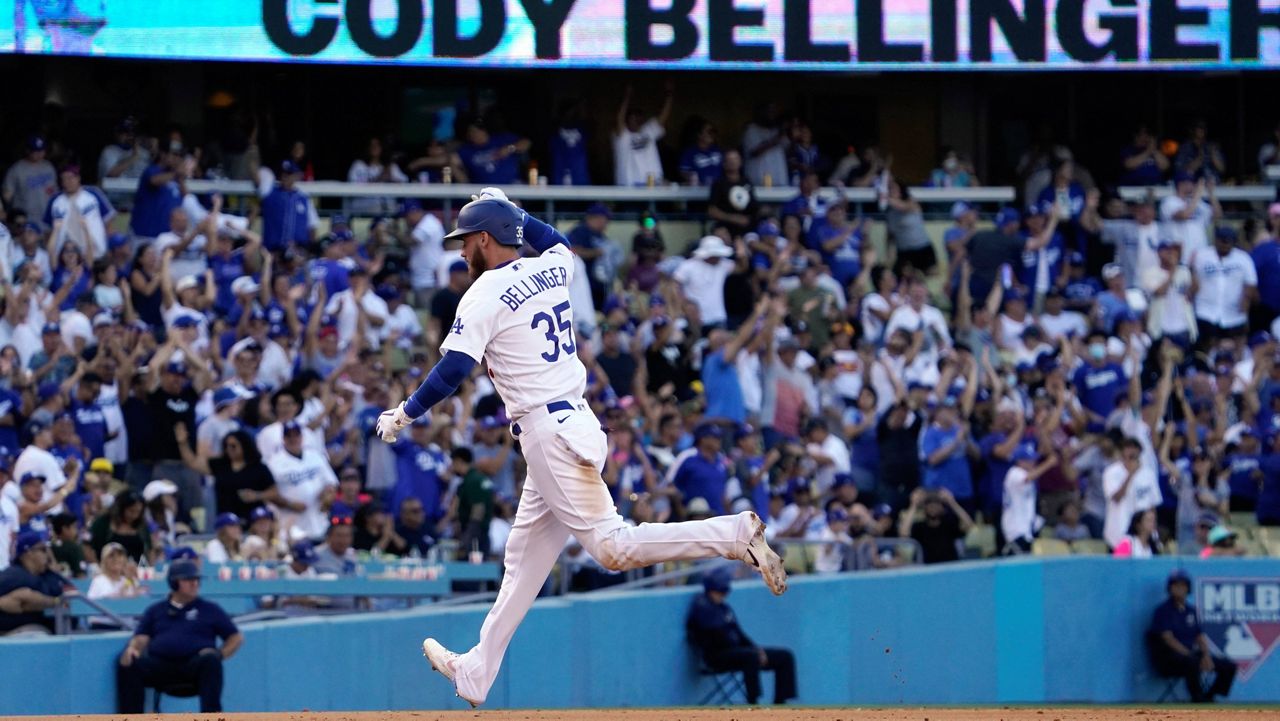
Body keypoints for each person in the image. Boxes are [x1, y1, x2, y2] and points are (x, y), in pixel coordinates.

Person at [376, 188, 787, 708]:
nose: (460, 252)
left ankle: (732, 534)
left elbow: (454, 369)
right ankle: (477, 670)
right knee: (522, 560)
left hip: (549, 432)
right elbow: (556, 240)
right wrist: (516, 212)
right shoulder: (553, 267)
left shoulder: (482, 294)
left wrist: (404, 411)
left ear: (485, 238)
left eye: (465, 241)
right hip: (570, 422)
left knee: (612, 548)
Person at [115, 560, 243, 713]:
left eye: (196, 580)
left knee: (211, 662)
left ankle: (212, 716)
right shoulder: (156, 610)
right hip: (162, 665)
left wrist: (220, 654)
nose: (194, 583)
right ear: (174, 583)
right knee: (129, 663)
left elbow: (235, 637)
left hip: (194, 666)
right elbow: (141, 637)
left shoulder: (210, 610)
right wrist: (133, 648)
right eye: (188, 580)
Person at [685, 568, 797, 705]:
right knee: (750, 657)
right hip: (717, 656)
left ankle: (781, 701)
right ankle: (753, 700)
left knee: (785, 656)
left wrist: (756, 649)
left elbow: (739, 633)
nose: (723, 593)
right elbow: (716, 638)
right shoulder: (702, 607)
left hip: (740, 651)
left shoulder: (723, 608)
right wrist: (752, 652)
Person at [1149, 569, 1236, 703]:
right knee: (1192, 662)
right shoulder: (1163, 611)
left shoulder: (1191, 611)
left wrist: (1206, 655)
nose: (1179, 589)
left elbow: (1199, 636)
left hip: (1192, 654)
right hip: (1170, 658)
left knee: (1228, 665)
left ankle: (1211, 695)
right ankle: (1197, 696)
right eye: (1175, 585)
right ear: (1169, 588)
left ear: (1188, 588)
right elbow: (1168, 638)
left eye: (1182, 585)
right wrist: (1189, 654)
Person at [0, 530, 68, 636]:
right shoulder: (13, 576)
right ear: (28, 552)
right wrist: (54, 602)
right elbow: (23, 599)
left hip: (49, 631)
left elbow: (69, 600)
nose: (48, 555)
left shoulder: (48, 575)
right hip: (15, 632)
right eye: (43, 550)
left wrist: (53, 601)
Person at [613, 84, 672, 186]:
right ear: (627, 120)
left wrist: (669, 94)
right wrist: (626, 98)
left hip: (653, 183)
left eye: (639, 117)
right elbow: (619, 118)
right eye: (634, 118)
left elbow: (663, 115)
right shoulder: (623, 136)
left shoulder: (648, 131)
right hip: (629, 185)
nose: (637, 120)